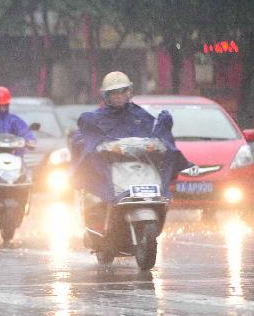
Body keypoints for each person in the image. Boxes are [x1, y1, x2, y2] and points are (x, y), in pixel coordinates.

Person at [70, 71, 191, 223]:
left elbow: (156, 135)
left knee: (160, 196)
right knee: (95, 200)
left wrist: (157, 144)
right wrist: (100, 146)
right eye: (114, 93)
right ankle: (100, 229)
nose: (119, 96)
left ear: (129, 92)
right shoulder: (96, 117)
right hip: (109, 169)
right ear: (106, 95)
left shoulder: (140, 115)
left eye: (122, 91)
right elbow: (82, 138)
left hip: (139, 169)